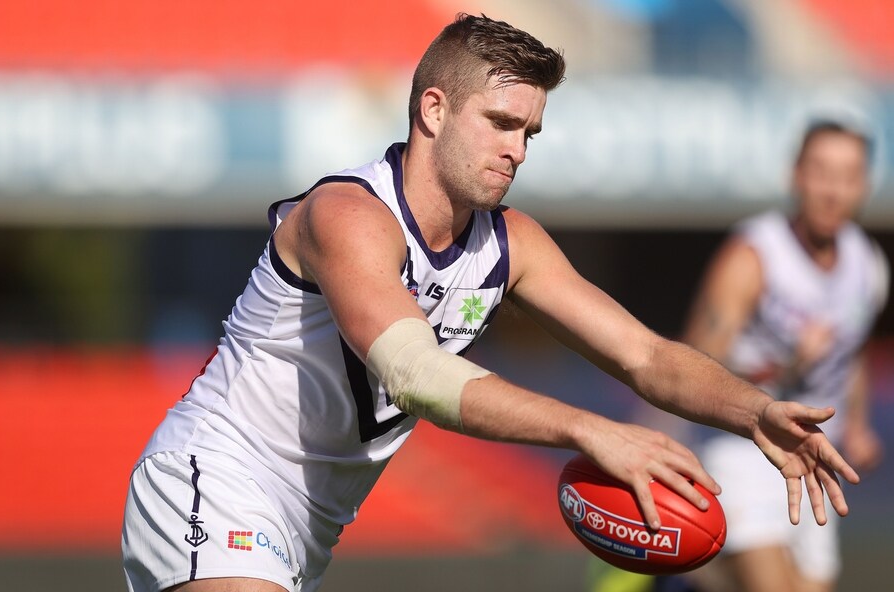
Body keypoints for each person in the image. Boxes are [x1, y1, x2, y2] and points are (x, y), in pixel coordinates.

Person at [121, 15, 861, 592]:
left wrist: (754, 411)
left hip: (308, 528)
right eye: (501, 123)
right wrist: (589, 429)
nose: (518, 150)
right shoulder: (347, 216)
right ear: (434, 110)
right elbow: (415, 373)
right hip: (215, 475)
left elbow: (647, 356)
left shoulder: (512, 243)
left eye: (529, 132)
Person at [677, 120, 887, 592]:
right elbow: (691, 360)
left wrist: (857, 425)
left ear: (863, 185)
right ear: (797, 175)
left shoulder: (867, 265)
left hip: (815, 454)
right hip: (743, 443)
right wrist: (785, 364)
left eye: (847, 176)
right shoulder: (754, 255)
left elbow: (853, 354)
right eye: (821, 172)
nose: (833, 191)